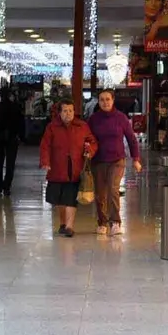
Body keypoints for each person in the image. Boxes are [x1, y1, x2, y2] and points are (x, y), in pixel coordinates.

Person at [87, 90, 142, 236]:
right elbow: (87, 138)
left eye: (108, 99)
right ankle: (102, 222)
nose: (105, 102)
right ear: (98, 102)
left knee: (113, 190)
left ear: (113, 100)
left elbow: (131, 139)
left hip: (117, 160)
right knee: (100, 194)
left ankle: (115, 222)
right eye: (102, 100)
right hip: (98, 160)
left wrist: (136, 159)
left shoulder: (121, 118)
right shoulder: (93, 119)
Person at [39, 99, 97, 237]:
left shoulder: (82, 126)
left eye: (70, 110)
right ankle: (63, 223)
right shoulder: (52, 127)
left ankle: (69, 226)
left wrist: (89, 150)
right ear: (59, 113)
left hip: (75, 168)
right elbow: (45, 145)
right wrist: (45, 161)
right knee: (59, 199)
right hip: (57, 168)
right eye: (65, 111)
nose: (68, 113)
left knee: (71, 198)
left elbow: (92, 141)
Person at [0, 86, 25, 195]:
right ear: (9, 95)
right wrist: (21, 137)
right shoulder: (16, 107)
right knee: (10, 164)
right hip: (12, 138)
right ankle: (7, 186)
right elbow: (21, 124)